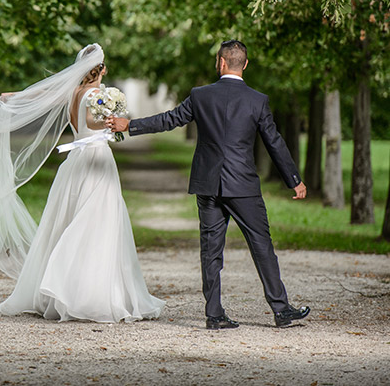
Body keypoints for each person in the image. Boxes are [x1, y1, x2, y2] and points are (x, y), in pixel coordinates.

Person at [106, 40, 310, 329]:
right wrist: (294, 180)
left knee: (211, 251)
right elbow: (273, 142)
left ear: (221, 62)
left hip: (208, 184)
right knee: (262, 246)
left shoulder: (200, 95)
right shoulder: (257, 100)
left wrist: (131, 125)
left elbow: (170, 120)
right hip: (243, 187)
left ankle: (214, 314)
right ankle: (281, 310)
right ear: (245, 65)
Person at [0, 44, 164, 323]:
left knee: (68, 218)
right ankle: (83, 291)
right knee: (97, 222)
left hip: (75, 160)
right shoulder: (94, 94)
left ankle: (60, 287)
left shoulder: (72, 93)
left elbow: (46, 95)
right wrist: (114, 120)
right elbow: (92, 122)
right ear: (101, 70)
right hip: (96, 161)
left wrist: (15, 96)